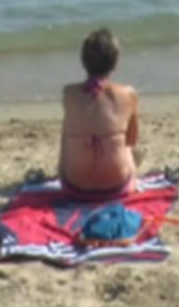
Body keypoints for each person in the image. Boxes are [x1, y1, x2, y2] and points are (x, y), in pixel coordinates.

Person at [59, 29, 140, 197]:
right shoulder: (128, 94)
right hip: (117, 185)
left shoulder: (69, 94)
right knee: (125, 148)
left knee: (69, 128)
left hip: (74, 186)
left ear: (83, 61)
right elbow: (131, 140)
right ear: (115, 61)